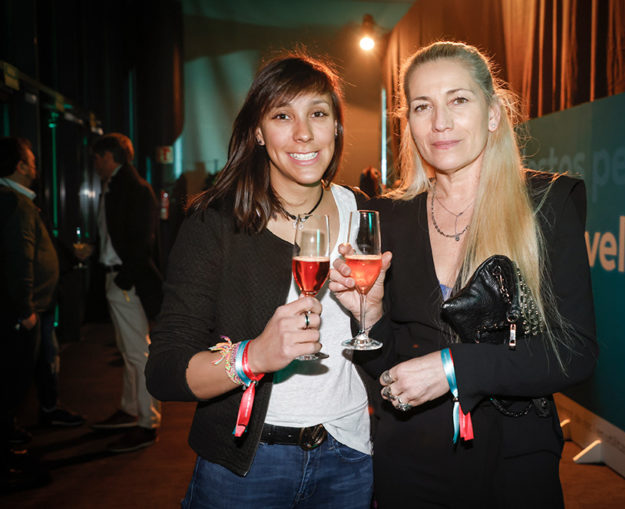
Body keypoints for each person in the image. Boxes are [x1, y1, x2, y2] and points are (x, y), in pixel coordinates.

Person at [329, 41, 598, 507]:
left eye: (458, 100)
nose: (440, 122)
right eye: (422, 106)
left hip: (514, 463)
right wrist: (368, 315)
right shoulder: (389, 218)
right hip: (410, 461)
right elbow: (386, 368)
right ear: (408, 122)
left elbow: (575, 353)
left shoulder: (546, 205)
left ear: (492, 114)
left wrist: (454, 368)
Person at [146, 53, 374, 508]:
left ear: (336, 127)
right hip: (246, 467)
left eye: (318, 114)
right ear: (257, 131)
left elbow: (393, 338)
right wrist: (253, 357)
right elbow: (165, 371)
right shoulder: (216, 223)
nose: (303, 133)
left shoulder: (361, 212)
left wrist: (376, 311)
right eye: (282, 116)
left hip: (348, 454)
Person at [88, 133, 163, 453]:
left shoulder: (133, 188)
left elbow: (142, 243)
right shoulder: (120, 187)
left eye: (97, 158)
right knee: (129, 349)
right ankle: (131, 409)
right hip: (119, 278)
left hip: (125, 280)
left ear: (110, 157)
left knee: (137, 352)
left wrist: (123, 279)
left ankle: (148, 421)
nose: (94, 164)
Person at [0, 137, 58, 487]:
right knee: (11, 385)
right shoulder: (14, 203)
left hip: (25, 311)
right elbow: (18, 258)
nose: (35, 166)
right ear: (20, 166)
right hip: (21, 315)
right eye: (31, 160)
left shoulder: (16, 200)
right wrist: (27, 311)